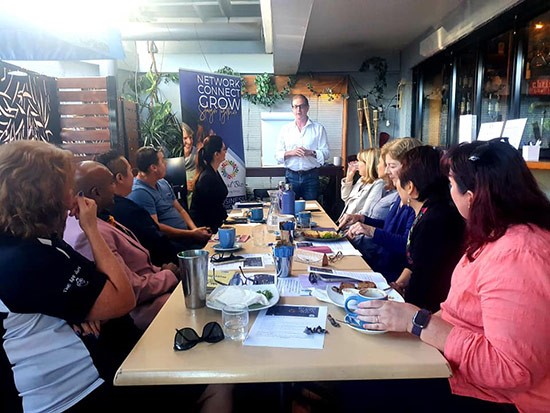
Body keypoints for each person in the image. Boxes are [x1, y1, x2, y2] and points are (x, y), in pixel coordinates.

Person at [355, 139, 550, 412]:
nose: (448, 195)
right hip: (455, 368)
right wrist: (406, 323)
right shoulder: (496, 237)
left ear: (471, 197)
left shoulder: (519, 255)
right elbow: (457, 315)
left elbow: (511, 370)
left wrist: (418, 321)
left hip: (491, 395)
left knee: (361, 387)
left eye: (450, 186)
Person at [0, 140, 135, 412]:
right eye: (67, 187)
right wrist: (90, 228)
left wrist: (81, 309)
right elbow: (122, 298)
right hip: (72, 394)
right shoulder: (25, 259)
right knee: (211, 385)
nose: (73, 196)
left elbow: (100, 295)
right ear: (45, 194)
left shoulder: (32, 241)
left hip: (93, 375)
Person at [64, 161, 179, 330]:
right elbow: (131, 288)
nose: (115, 187)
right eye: (111, 183)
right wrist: (168, 275)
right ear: (96, 192)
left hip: (155, 289)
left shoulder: (101, 218)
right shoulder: (90, 233)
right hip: (142, 311)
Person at [390, 146, 465, 312]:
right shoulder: (432, 210)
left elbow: (422, 285)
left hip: (431, 314)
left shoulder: (434, 221)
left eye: (397, 180)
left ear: (410, 188)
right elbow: (417, 263)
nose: (395, 185)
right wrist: (399, 284)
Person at [345, 138, 422, 282]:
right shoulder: (401, 195)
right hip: (380, 265)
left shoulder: (415, 201)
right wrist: (363, 220)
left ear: (408, 166)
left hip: (391, 274)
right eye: (386, 165)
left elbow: (407, 245)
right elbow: (389, 226)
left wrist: (370, 230)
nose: (387, 171)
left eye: (391, 166)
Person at [95, 150, 180, 266]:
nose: (133, 175)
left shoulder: (100, 211)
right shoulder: (130, 211)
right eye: (130, 170)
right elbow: (157, 244)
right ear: (120, 178)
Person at [128, 146, 211, 250]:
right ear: (153, 167)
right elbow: (157, 227)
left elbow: (180, 210)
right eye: (162, 160)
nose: (166, 164)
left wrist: (196, 230)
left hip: (187, 237)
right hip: (171, 244)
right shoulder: (140, 193)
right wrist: (191, 233)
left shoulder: (163, 182)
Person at [275, 94, 330, 200]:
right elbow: (277, 155)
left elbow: (326, 153)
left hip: (311, 176)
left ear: (307, 108)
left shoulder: (318, 129)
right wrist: (292, 152)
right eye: (295, 106)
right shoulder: (285, 130)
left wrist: (311, 152)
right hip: (291, 176)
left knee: (312, 210)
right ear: (292, 109)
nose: (298, 110)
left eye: (301, 106)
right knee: (289, 209)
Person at [189, 135, 229, 233]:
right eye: (224, 149)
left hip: (215, 223)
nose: (226, 152)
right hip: (206, 229)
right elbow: (209, 211)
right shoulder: (207, 178)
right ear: (216, 154)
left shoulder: (213, 172)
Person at [337, 148, 384, 223]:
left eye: (359, 161)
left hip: (354, 228)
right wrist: (349, 178)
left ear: (369, 164)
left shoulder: (379, 183)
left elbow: (366, 212)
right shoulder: (362, 179)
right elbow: (345, 198)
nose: (357, 164)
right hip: (345, 224)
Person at [182, 122, 198, 207]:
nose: (189, 141)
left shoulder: (197, 153)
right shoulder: (170, 156)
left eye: (190, 137)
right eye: (185, 138)